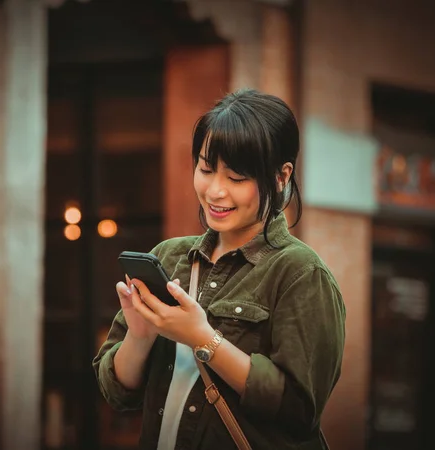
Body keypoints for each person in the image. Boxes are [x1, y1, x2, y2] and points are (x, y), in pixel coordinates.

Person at [93, 89, 346, 450]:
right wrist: (140, 334)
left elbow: (299, 408)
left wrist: (203, 338)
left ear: (280, 176)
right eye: (206, 169)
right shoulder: (168, 257)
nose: (215, 191)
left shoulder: (301, 274)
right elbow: (117, 393)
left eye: (237, 178)